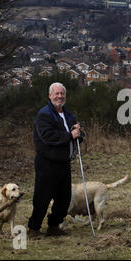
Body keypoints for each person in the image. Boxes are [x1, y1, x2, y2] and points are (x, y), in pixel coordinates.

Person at [28, 82, 81, 237]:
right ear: (50, 96)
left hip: (64, 163)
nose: (59, 96)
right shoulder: (44, 114)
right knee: (42, 197)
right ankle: (33, 228)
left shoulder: (69, 114)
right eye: (56, 93)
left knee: (64, 198)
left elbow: (75, 136)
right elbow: (48, 137)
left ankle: (54, 226)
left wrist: (79, 133)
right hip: (47, 163)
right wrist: (70, 135)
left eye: (62, 93)